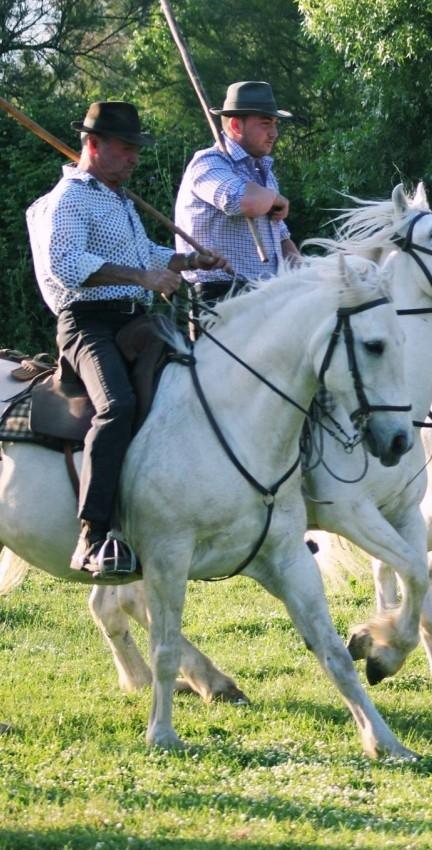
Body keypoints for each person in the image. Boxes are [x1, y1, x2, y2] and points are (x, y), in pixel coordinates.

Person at [26, 101, 227, 579]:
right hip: (88, 325)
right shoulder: (70, 197)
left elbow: (145, 254)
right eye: (125, 148)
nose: (134, 158)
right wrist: (145, 277)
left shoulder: (118, 197)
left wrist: (186, 263)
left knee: (194, 386)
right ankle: (93, 536)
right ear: (92, 145)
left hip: (134, 320)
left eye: (136, 149)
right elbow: (67, 266)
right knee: (115, 406)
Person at [174, 81, 299, 303]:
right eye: (265, 123)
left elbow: (281, 237)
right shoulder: (208, 163)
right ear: (235, 125)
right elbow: (245, 201)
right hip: (222, 296)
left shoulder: (263, 172)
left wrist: (313, 277)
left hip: (268, 293)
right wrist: (275, 198)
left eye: (275, 124)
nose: (274, 133)